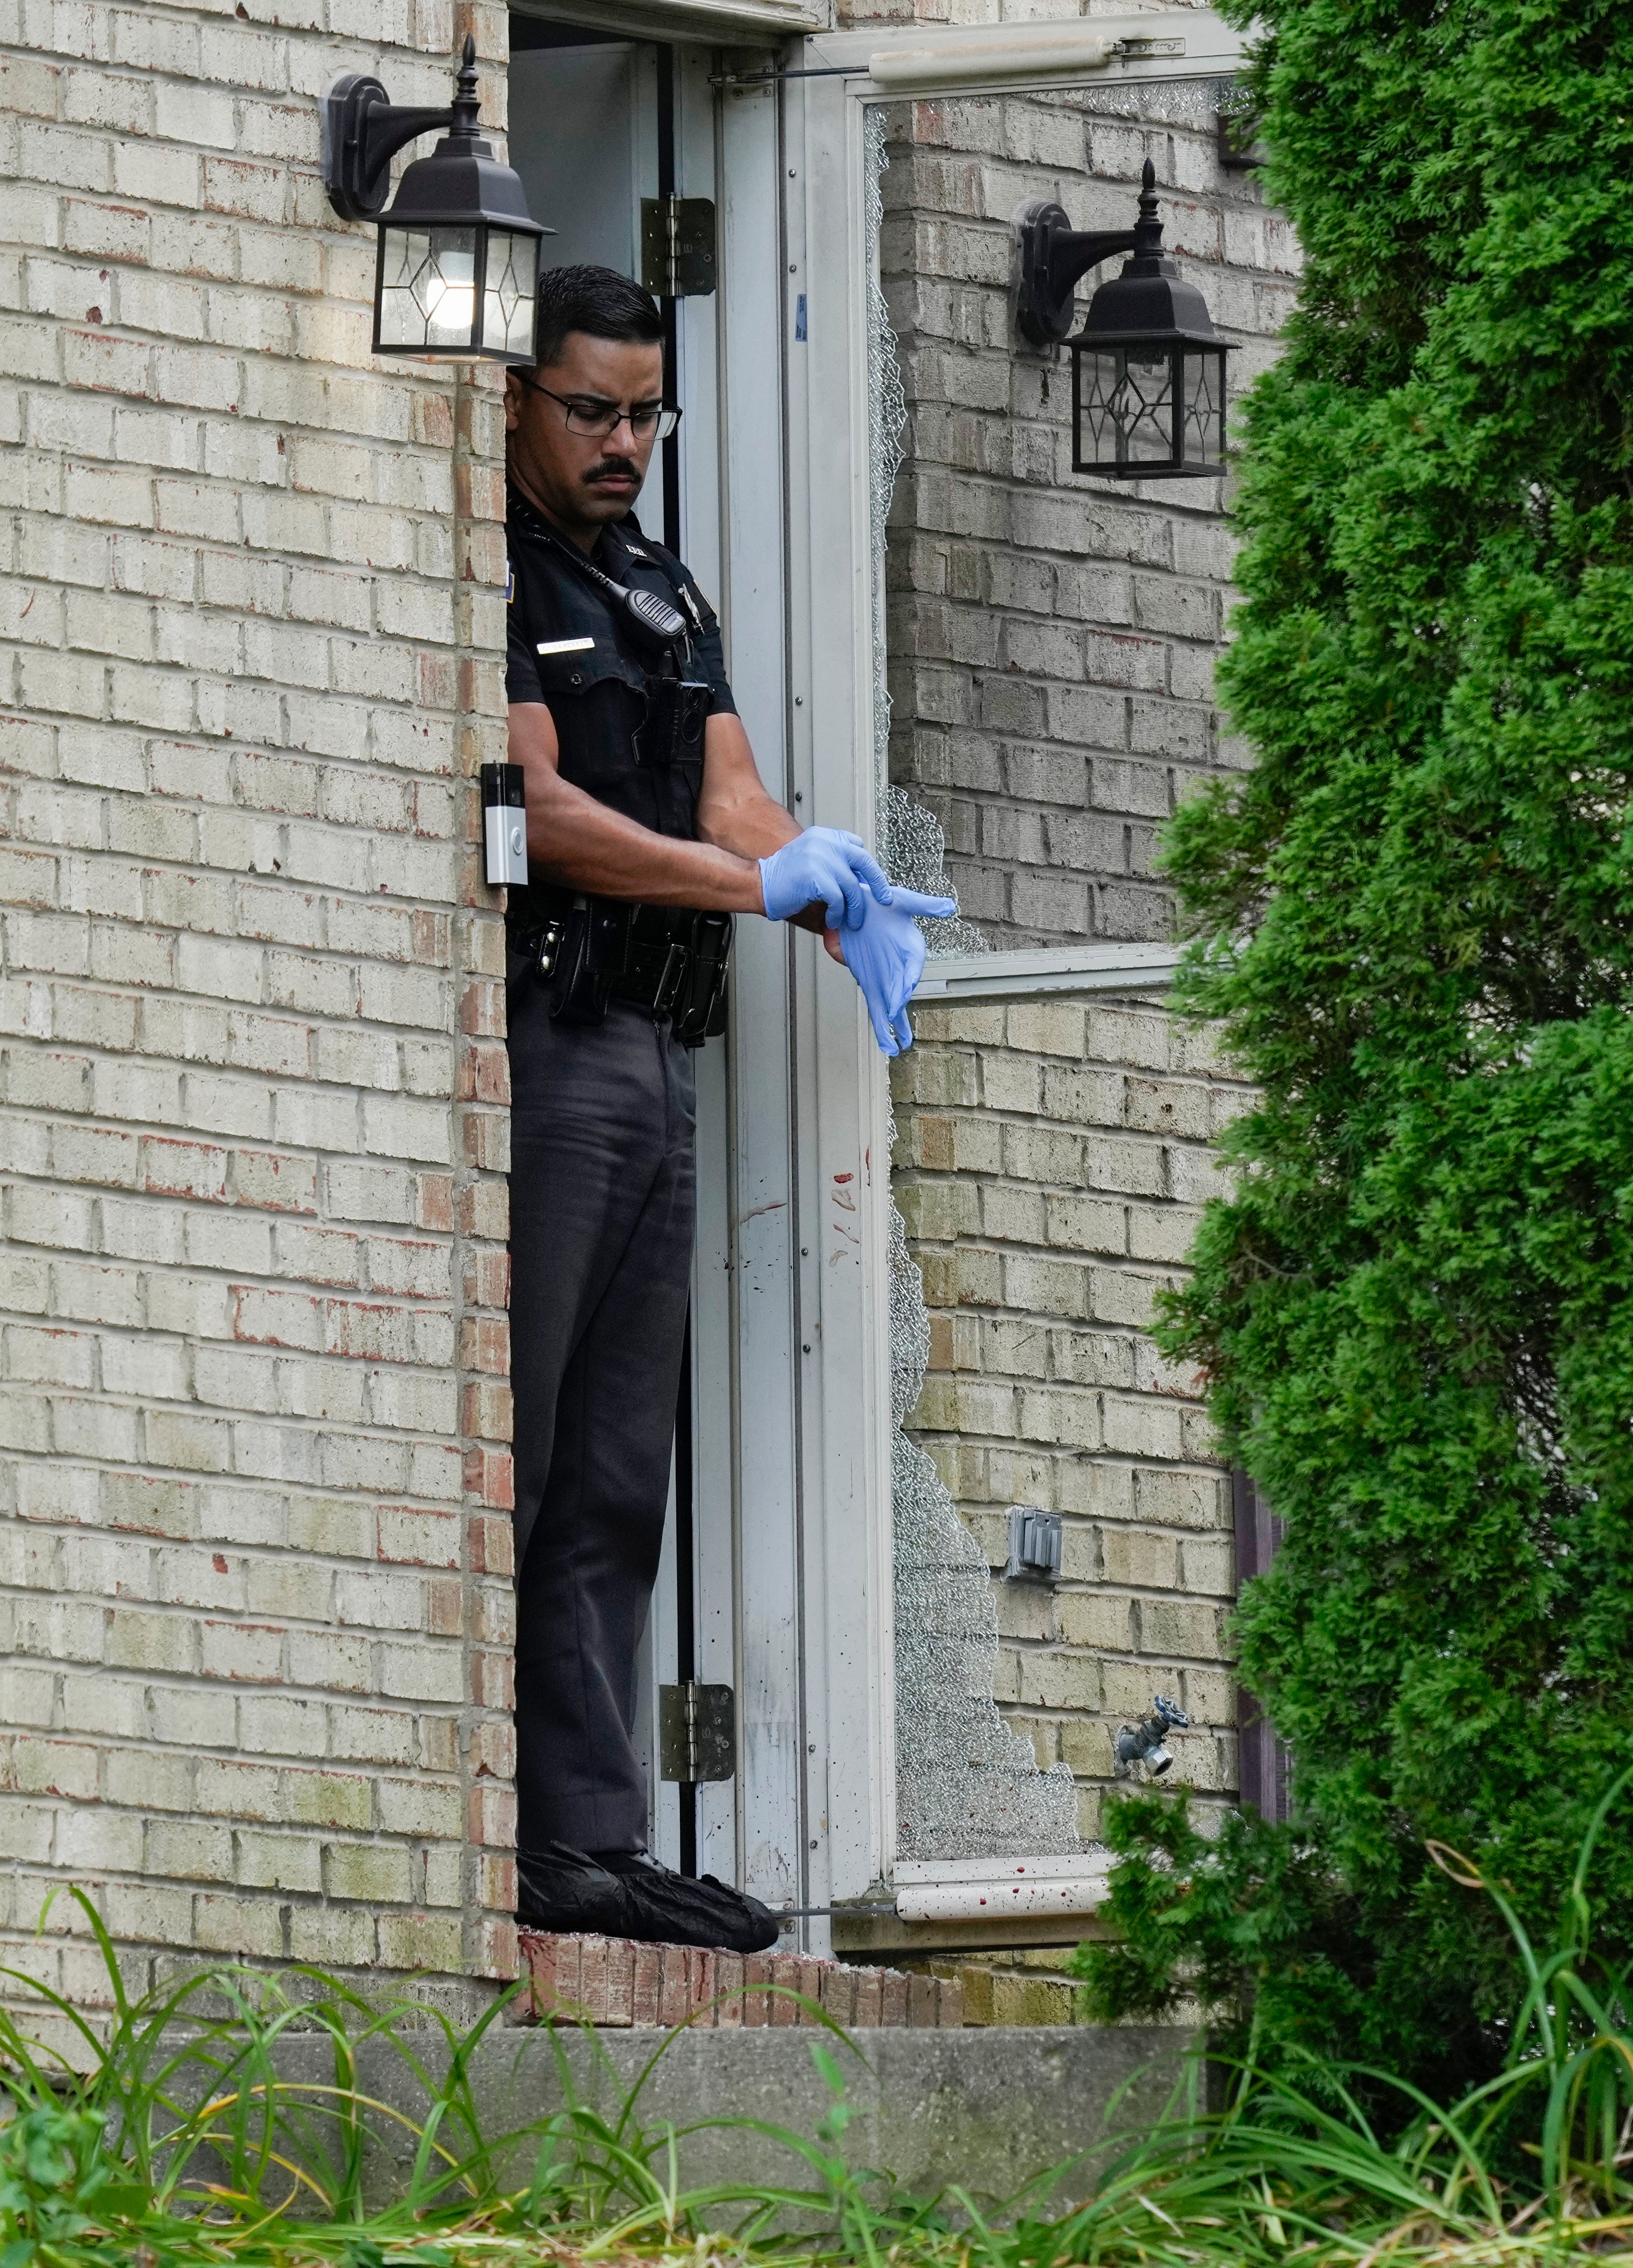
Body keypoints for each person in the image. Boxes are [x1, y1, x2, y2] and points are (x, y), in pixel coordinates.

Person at [501, 265, 950, 1951]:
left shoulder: (652, 581)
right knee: (528, 1453)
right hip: (548, 1040)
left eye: (647, 413)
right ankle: (521, 1843)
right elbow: (536, 807)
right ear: (515, 400)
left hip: (651, 1046)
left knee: (622, 1465)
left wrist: (822, 877)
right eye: (593, 411)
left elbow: (734, 791)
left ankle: (595, 1843)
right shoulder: (491, 564)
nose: (626, 445)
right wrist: (739, 891)